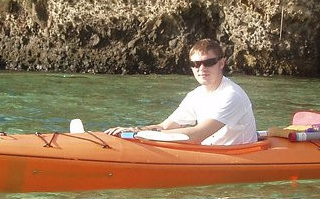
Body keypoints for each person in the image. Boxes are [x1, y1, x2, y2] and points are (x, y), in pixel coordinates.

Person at [106, 38, 258, 145]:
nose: (201, 69)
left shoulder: (231, 95)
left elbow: (197, 135)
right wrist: (135, 130)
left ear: (221, 63)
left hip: (236, 156)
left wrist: (139, 136)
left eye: (209, 63)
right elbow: (165, 127)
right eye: (195, 64)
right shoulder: (195, 95)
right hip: (211, 152)